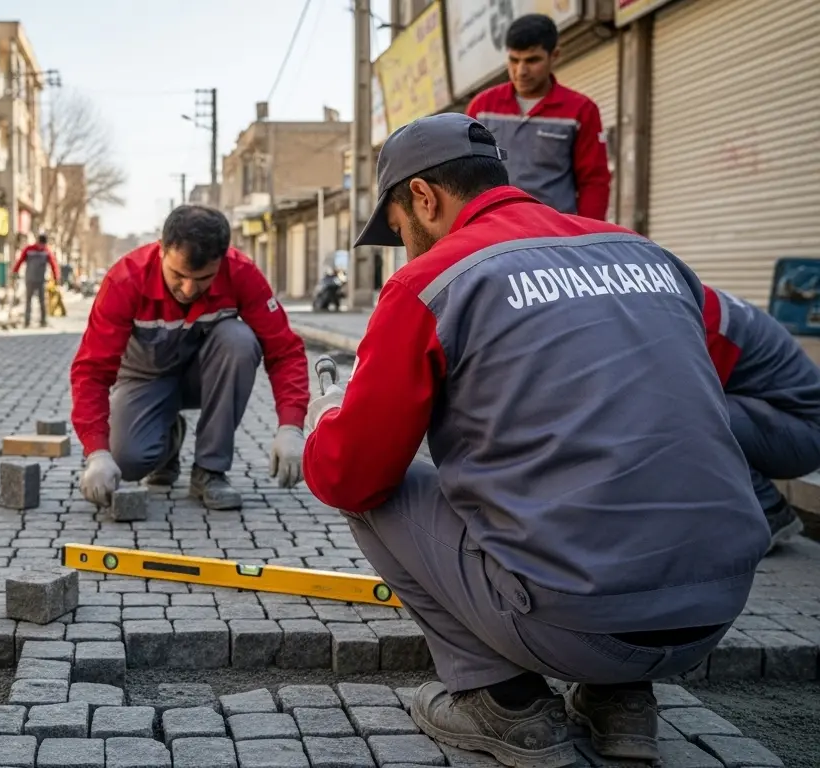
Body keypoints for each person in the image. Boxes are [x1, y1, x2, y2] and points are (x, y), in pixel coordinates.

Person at [301, 113, 767, 767]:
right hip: (717, 608)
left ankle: (504, 700)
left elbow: (350, 473)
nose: (405, 249)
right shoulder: (649, 255)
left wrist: (327, 417)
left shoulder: (432, 282)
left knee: (379, 491)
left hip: (573, 623)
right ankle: (621, 701)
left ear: (424, 198)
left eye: (400, 230)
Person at [71, 204, 309, 511]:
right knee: (125, 460)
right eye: (178, 275)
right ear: (161, 249)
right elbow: (91, 370)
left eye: (203, 278)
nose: (188, 289)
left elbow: (285, 351)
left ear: (222, 260)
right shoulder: (125, 280)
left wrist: (291, 426)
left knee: (239, 340)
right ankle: (168, 438)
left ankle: (210, 470)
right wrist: (97, 453)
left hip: (206, 376)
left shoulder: (241, 273)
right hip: (145, 379)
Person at [702, 283, 820, 552]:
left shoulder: (709, 322)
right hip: (775, 421)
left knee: (685, 410)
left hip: (805, 434)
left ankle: (768, 510)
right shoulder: (686, 301)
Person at [466, 13, 611, 221]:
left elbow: (594, 181)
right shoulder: (482, 108)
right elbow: (466, 174)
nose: (521, 71)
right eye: (514, 60)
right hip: (493, 229)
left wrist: (588, 232)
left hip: (553, 233)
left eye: (532, 60)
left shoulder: (581, 111)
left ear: (555, 55)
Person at [11, 232, 59, 327]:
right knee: (29, 301)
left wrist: (56, 277)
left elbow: (53, 264)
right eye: (41, 244)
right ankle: (27, 321)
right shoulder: (30, 249)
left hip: (40, 280)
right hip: (31, 279)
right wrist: (15, 272)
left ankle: (42, 321)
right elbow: (20, 261)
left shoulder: (45, 251)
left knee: (41, 301)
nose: (41, 246)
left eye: (43, 244)